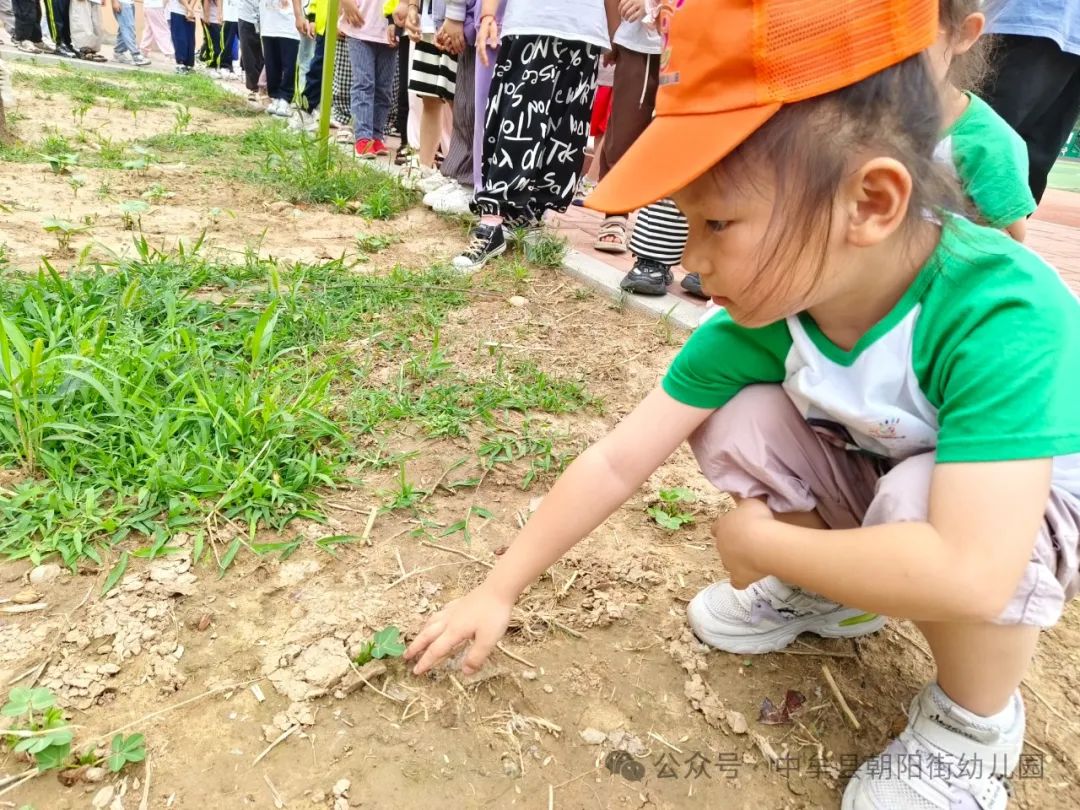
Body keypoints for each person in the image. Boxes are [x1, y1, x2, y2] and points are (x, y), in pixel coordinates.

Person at [406, 4, 1080, 810]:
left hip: (1001, 522)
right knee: (742, 420)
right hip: (896, 482)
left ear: (870, 202)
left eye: (718, 221)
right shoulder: (775, 311)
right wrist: (499, 587)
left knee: (916, 500)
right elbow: (620, 456)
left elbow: (972, 570)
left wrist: (765, 543)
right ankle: (836, 597)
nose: (691, 258)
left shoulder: (999, 310)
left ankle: (975, 724)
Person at [451, 0, 619, 271]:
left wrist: (614, 33)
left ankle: (530, 217)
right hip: (531, 22)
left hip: (585, 31)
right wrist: (487, 15)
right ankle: (491, 223)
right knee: (514, 124)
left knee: (565, 133)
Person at [930, 0, 1036, 240]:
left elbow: (1009, 240)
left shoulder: (988, 142)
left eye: (906, 35)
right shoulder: (855, 119)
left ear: (962, 34)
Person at [981, 0, 1080, 204]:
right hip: (1029, 21)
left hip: (1074, 42)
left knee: (1033, 166)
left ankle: (998, 235)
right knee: (981, 143)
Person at [588, 0, 661, 253]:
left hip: (690, 42)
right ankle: (615, 213)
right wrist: (613, 32)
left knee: (685, 137)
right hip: (637, 42)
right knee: (624, 129)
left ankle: (683, 229)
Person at [339, 0, 395, 157]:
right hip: (359, 25)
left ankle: (377, 135)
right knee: (364, 83)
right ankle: (363, 137)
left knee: (384, 88)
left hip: (389, 29)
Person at [260, 0, 302, 117]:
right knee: (271, 64)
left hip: (289, 26)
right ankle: (275, 98)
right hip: (269, 25)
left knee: (289, 65)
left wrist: (299, 17)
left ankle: (285, 99)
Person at [237, 0, 263, 102]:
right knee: (248, 52)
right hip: (245, 15)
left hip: (267, 16)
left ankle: (266, 86)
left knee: (264, 52)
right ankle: (254, 88)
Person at [112, 0, 151, 65]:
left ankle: (118, 53)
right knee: (128, 29)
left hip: (130, 3)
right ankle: (136, 55)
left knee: (124, 29)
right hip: (122, 3)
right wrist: (114, 1)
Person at [169, 0, 199, 73]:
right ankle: (180, 64)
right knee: (180, 38)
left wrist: (190, 9)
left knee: (190, 40)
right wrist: (189, 8)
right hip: (177, 11)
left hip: (190, 13)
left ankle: (189, 64)